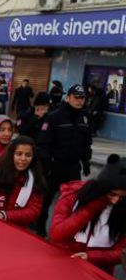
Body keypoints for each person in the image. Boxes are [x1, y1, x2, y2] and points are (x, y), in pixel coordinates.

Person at [49, 154, 126, 274]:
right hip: (65, 261)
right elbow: (57, 234)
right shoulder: (73, 196)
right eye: (112, 194)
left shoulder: (122, 209)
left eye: (122, 197)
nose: (115, 201)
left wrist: (91, 257)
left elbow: (122, 251)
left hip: (99, 271)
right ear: (102, 187)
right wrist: (91, 208)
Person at [36, 84, 93, 236]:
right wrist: (46, 164)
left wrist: (86, 162)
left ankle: (65, 231)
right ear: (68, 98)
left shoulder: (85, 117)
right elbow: (43, 143)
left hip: (73, 168)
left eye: (83, 98)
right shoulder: (55, 116)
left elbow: (87, 143)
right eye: (76, 97)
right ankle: (40, 224)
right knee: (46, 198)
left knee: (72, 201)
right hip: (55, 165)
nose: (80, 101)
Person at [0, 136, 46, 228]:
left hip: (15, 230)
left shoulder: (36, 180)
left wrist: (5, 215)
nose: (23, 159)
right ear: (11, 154)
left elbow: (34, 211)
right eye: (19, 154)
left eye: (28, 155)